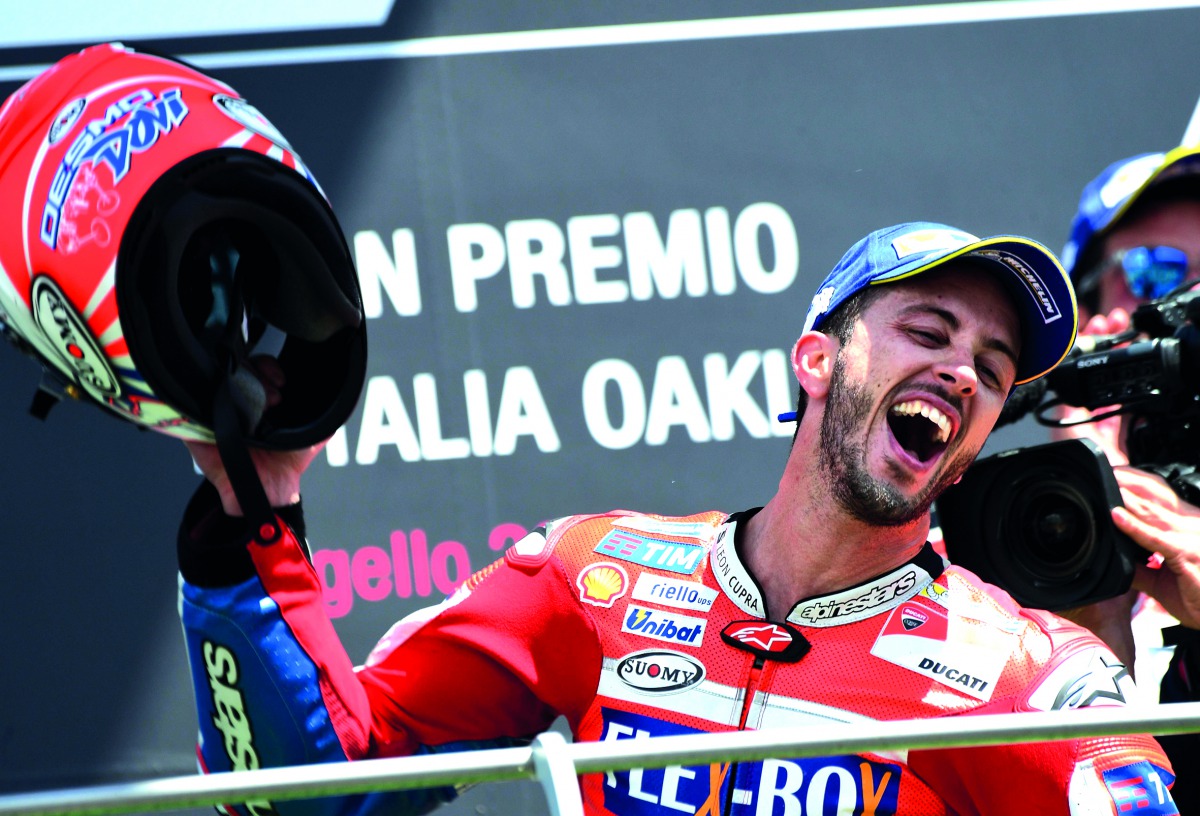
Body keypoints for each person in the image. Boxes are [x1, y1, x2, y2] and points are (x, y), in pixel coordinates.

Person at [180, 222, 1177, 815]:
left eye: (994, 373)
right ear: (818, 361)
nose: (962, 372)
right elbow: (308, 792)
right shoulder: (590, 574)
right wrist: (251, 509)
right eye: (927, 331)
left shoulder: (1026, 674)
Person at [1056, 145, 1200, 810]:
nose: (1190, 304)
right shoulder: (977, 546)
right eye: (1154, 273)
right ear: (1083, 319)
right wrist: (1086, 504)